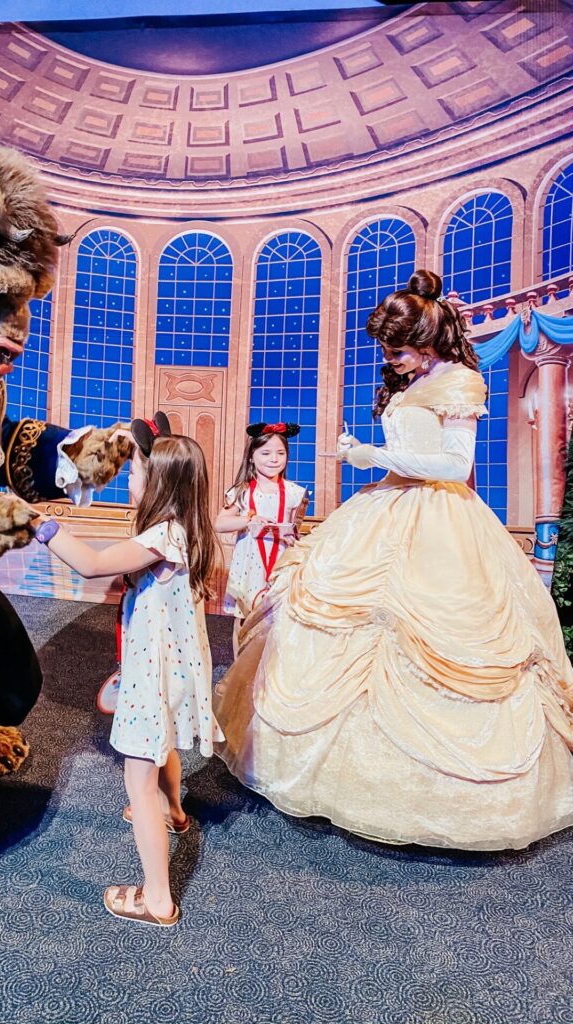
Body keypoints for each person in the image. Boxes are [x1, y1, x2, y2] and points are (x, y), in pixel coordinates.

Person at [214, 269, 573, 851]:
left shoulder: (458, 381)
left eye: (398, 349)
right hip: (384, 508)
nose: (392, 359)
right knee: (335, 620)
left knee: (430, 634)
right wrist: (370, 455)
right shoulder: (411, 383)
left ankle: (439, 795)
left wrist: (374, 452)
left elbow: (456, 466)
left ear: (429, 341)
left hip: (440, 521)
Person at [35, 413, 223, 923]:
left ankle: (156, 899)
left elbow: (92, 564)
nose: (130, 478)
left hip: (153, 672)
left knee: (136, 783)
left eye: (136, 471)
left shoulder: (162, 534)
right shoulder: (187, 529)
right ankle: (176, 812)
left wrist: (38, 525)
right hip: (174, 669)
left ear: (159, 483)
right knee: (159, 749)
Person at [215, 423, 308, 658]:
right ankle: (238, 673)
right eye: (265, 453)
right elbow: (220, 523)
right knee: (244, 618)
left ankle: (270, 672)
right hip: (250, 562)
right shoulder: (242, 491)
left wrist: (292, 536)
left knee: (279, 620)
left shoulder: (296, 492)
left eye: (280, 453)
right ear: (252, 457)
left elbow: (296, 530)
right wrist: (249, 518)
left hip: (281, 561)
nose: (274, 459)